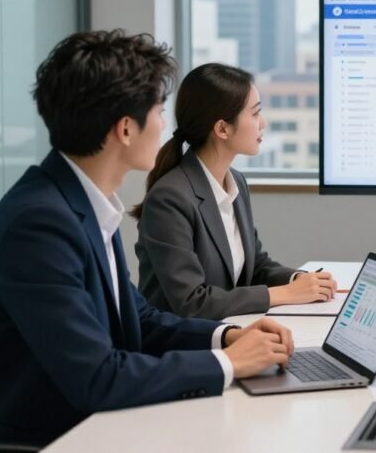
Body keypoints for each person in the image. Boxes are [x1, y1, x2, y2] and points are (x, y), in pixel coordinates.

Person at [0, 30, 295, 447]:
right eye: (158, 111)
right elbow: (98, 376)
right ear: (125, 128)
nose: (164, 125)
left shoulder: (81, 205)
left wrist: (227, 336)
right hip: (45, 439)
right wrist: (227, 363)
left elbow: (141, 320)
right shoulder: (39, 225)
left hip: (88, 424)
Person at [133, 63, 336, 319]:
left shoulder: (235, 182)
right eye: (254, 113)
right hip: (180, 348)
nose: (263, 122)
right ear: (222, 129)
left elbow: (255, 266)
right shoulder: (170, 199)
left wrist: (301, 280)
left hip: (225, 333)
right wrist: (287, 294)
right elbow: (192, 302)